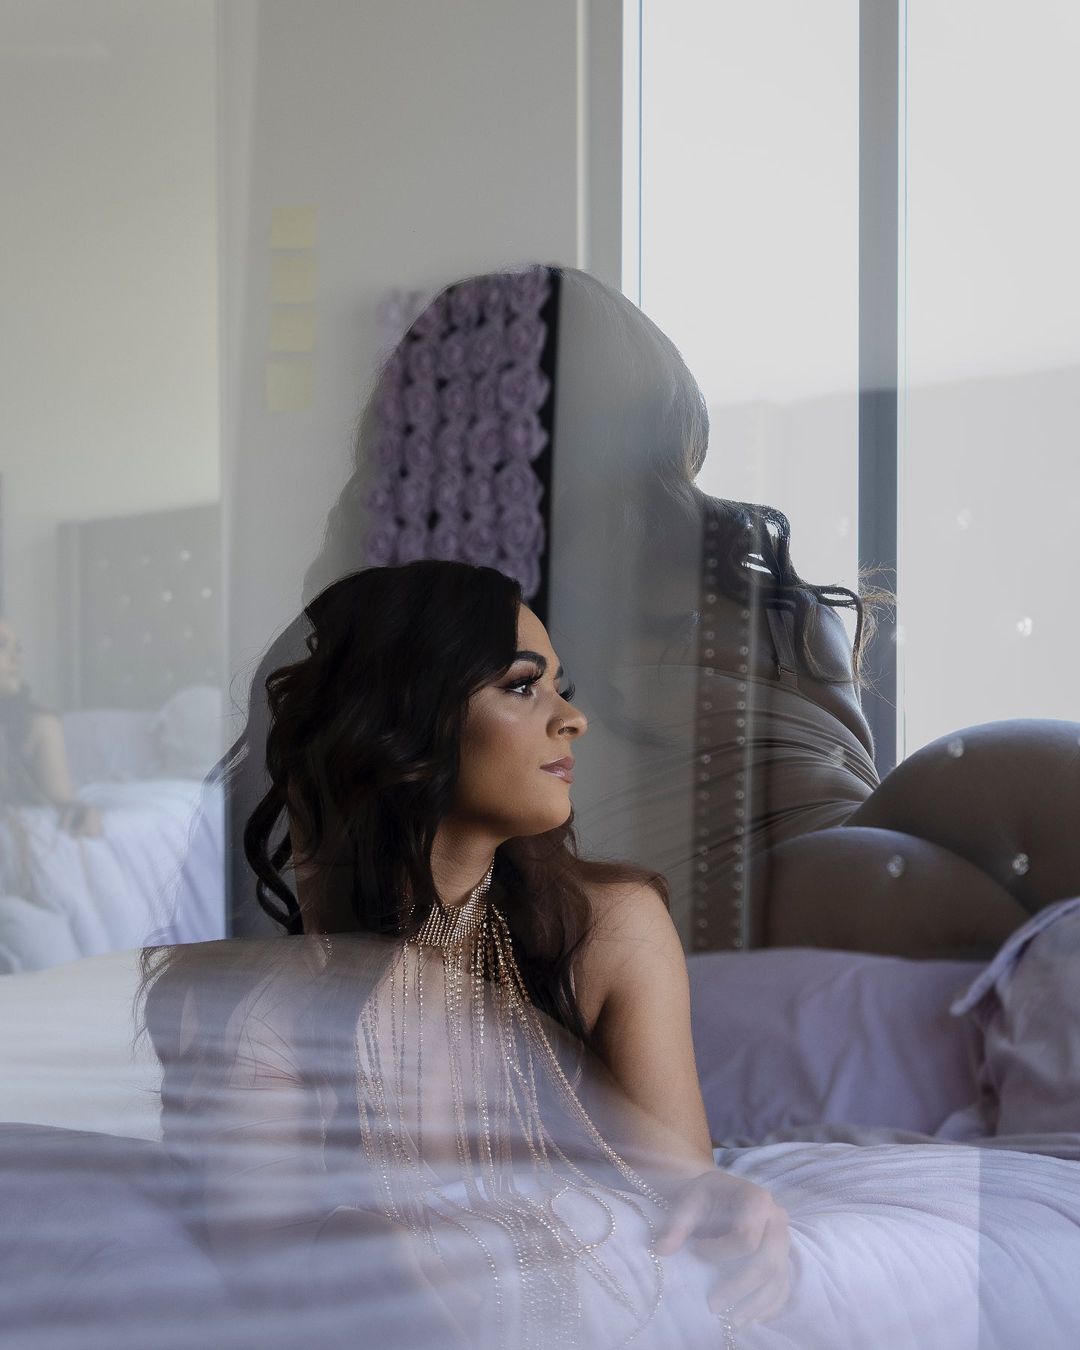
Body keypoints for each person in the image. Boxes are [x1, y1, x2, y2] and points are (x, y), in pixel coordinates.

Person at [140, 560, 792, 1349]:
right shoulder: (265, 1003)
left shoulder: (611, 930)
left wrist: (726, 1199)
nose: (572, 719)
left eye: (558, 687)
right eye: (522, 686)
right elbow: (269, 1273)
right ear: (403, 719)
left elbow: (682, 1189)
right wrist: (377, 1252)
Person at [0, 616, 102, 838]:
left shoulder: (40, 725)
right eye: (2, 646)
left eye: (18, 649)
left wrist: (80, 811)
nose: (17, 658)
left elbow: (62, 800)